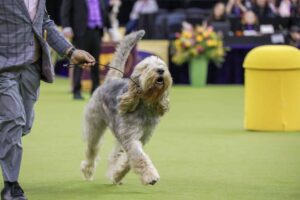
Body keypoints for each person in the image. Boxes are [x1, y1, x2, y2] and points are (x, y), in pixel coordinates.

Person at [0, 1, 95, 200]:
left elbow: (44, 22)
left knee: (23, 125)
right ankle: (11, 186)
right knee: (13, 120)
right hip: (3, 68)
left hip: (32, 67)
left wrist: (70, 51)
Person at [61, 0, 111, 100]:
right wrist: (66, 26)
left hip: (97, 31)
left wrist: (110, 27)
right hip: (81, 32)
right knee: (79, 61)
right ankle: (76, 90)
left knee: (95, 62)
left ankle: (95, 91)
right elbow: (65, 10)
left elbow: (104, 11)